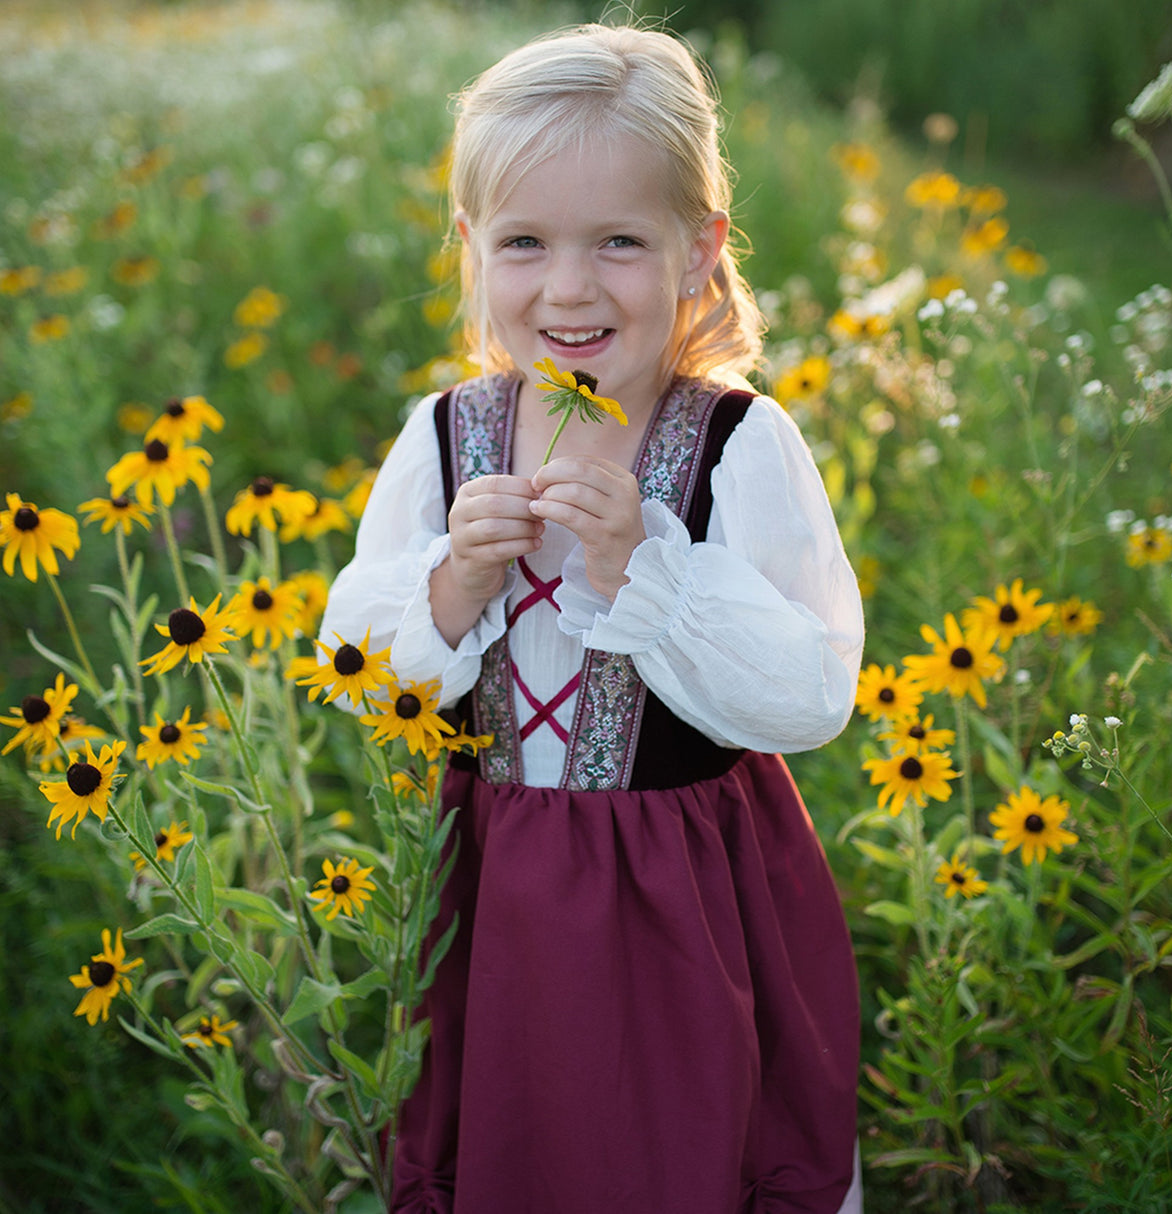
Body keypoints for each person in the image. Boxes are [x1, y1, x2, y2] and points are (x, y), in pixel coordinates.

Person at [320, 21, 865, 1214]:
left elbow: (809, 688)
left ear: (696, 251)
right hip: (501, 897)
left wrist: (645, 568)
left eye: (618, 240)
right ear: (471, 249)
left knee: (686, 1147)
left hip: (687, 894)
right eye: (524, 242)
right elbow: (356, 659)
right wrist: (453, 582)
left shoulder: (735, 442)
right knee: (510, 1145)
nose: (567, 287)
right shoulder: (446, 434)